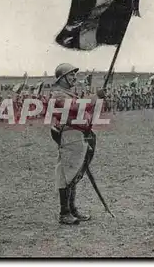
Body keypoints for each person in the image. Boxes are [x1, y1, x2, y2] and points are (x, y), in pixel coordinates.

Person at [49, 63, 106, 225]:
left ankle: (72, 209)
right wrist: (95, 97)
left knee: (74, 173)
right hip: (70, 135)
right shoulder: (58, 94)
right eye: (71, 75)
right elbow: (75, 107)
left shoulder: (69, 93)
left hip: (80, 134)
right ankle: (64, 212)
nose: (74, 78)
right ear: (62, 78)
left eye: (74, 75)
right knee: (67, 173)